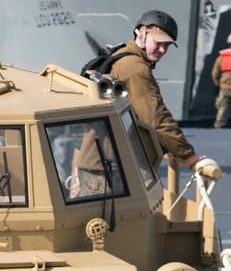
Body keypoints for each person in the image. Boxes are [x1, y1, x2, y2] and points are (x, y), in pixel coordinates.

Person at [92, 10, 220, 181]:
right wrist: (189, 156)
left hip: (103, 161)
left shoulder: (121, 56)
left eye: (166, 45)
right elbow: (156, 118)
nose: (161, 50)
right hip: (112, 168)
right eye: (158, 42)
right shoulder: (135, 67)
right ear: (141, 32)